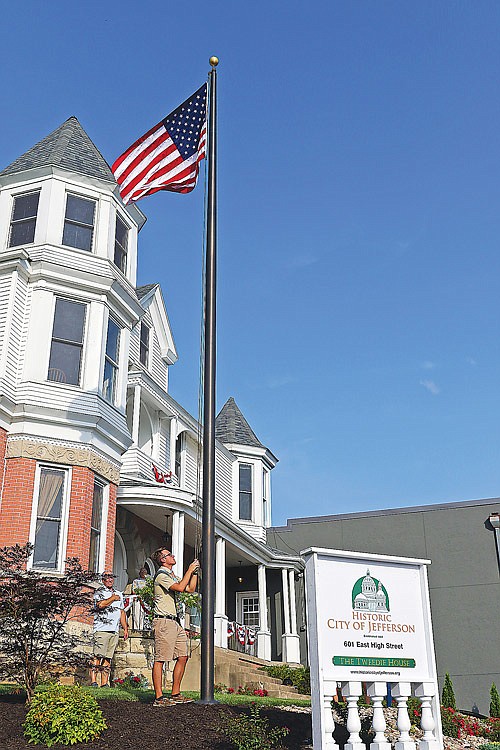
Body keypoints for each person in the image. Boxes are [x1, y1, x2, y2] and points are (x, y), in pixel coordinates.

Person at [151, 548, 199, 706]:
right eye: (170, 554)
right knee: (161, 659)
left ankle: (175, 693)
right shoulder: (161, 575)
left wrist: (195, 573)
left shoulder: (172, 576)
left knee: (183, 657)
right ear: (163, 560)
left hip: (175, 622)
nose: (173, 555)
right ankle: (158, 697)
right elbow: (179, 588)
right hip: (164, 621)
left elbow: (189, 589)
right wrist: (189, 569)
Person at [90, 572, 128, 688]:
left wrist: (125, 628)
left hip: (114, 630)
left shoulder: (118, 594)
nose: (110, 580)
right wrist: (112, 598)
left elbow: (121, 612)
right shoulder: (100, 592)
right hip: (102, 629)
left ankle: (104, 683)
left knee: (108, 657)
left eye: (112, 577)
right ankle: (93, 681)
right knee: (97, 656)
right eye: (107, 578)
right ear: (103, 580)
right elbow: (100, 605)